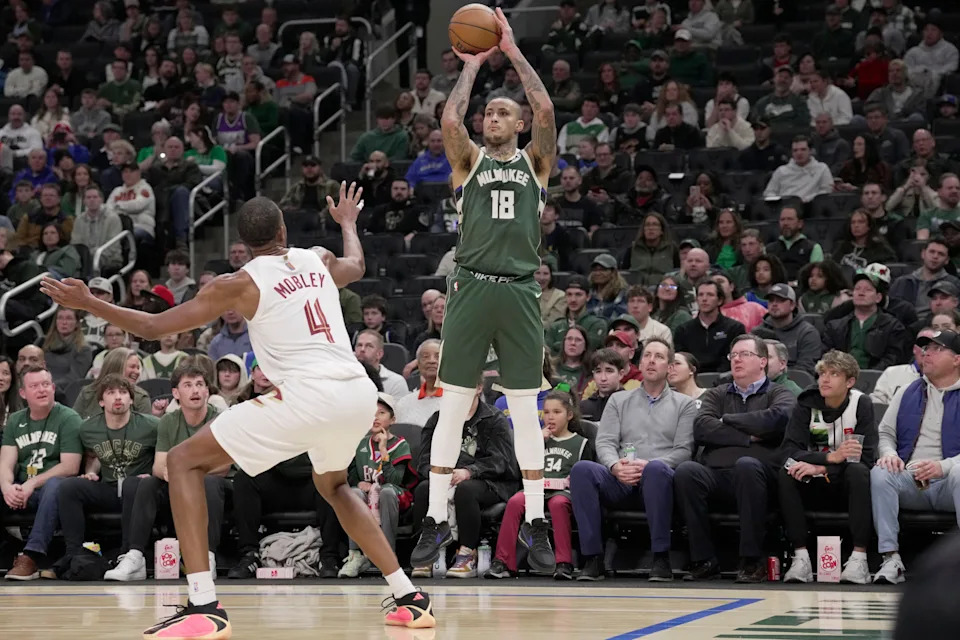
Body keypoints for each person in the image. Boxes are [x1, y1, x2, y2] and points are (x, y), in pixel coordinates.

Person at [41, 185, 436, 633]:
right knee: (334, 485)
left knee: (184, 461)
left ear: (243, 246)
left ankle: (204, 604)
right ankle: (408, 594)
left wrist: (89, 302)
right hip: (356, 394)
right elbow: (358, 266)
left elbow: (151, 326)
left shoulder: (240, 282)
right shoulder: (318, 259)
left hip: (308, 396)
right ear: (284, 229)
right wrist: (347, 223)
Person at [570, 338, 696, 581]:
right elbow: (605, 442)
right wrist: (614, 466)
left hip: (659, 478)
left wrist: (649, 465)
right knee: (582, 470)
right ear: (639, 362)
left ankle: (661, 558)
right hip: (621, 478)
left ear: (669, 367)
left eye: (659, 356)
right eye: (647, 355)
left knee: (657, 469)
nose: (651, 360)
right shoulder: (619, 400)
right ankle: (593, 559)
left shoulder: (685, 404)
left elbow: (684, 450)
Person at [675, 334, 797, 582]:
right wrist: (749, 438)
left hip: (762, 476)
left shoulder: (780, 393)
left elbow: (775, 421)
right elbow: (702, 428)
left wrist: (728, 420)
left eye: (745, 355)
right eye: (733, 355)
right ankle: (704, 558)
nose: (737, 360)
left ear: (763, 361)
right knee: (687, 471)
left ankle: (752, 560)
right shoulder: (716, 394)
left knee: (746, 466)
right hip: (718, 475)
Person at [103, 362, 227, 581]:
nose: (195, 390)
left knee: (209, 482)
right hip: (180, 485)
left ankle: (207, 557)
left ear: (208, 391)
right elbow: (159, 466)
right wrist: (177, 477)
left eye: (200, 384)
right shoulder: (169, 421)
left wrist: (187, 475)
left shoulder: (221, 419)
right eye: (188, 385)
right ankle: (135, 556)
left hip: (216, 486)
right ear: (176, 393)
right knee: (149, 482)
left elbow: (223, 466)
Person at [778, 350, 877, 584]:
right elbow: (789, 451)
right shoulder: (805, 403)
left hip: (846, 483)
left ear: (850, 381)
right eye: (822, 373)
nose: (825, 379)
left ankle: (859, 558)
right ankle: (800, 557)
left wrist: (823, 469)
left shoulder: (861, 403)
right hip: (814, 481)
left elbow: (866, 457)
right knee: (786, 473)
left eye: (834, 374)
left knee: (858, 471)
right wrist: (828, 459)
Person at [870, 329, 960, 584]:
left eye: (936, 349)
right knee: (880, 472)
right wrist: (888, 454)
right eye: (924, 348)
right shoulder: (907, 391)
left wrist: (943, 466)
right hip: (913, 480)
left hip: (951, 481)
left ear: (957, 360)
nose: (926, 353)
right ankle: (891, 558)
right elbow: (885, 432)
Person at [486, 390, 594, 580]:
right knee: (515, 502)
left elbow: (584, 477)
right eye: (546, 412)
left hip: (562, 492)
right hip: (534, 490)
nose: (550, 417)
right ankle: (503, 561)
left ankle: (563, 562)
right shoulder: (535, 440)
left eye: (556, 412)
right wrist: (536, 442)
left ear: (569, 415)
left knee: (558, 504)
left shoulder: (581, 443)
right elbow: (520, 469)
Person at [0, 366, 82, 580]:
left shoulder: (68, 418)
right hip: (21, 487)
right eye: (34, 386)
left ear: (53, 388)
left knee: (56, 484)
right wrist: (8, 488)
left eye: (45, 384)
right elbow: (6, 463)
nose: (41, 390)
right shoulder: (16, 421)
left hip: (51, 492)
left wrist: (31, 484)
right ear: (23, 393)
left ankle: (31, 556)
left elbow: (70, 467)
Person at [339, 392, 418, 577]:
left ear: (393, 419)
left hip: (394, 493)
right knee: (354, 493)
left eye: (381, 413)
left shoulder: (400, 445)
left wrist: (383, 451)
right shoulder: (360, 444)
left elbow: (395, 480)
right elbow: (351, 473)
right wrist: (358, 482)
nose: (375, 417)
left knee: (386, 492)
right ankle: (355, 555)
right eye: (372, 413)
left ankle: (388, 556)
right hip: (368, 493)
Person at [823, 268, 909, 369]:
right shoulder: (835, 326)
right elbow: (826, 356)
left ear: (878, 297)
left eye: (868, 290)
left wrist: (870, 376)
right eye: (857, 289)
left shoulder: (893, 327)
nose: (861, 293)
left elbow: (893, 359)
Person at [673, 281, 746, 373]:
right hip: (692, 378)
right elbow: (681, 359)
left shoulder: (735, 328)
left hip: (725, 379)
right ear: (696, 299)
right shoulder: (683, 330)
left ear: (719, 300)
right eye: (701, 295)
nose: (704, 299)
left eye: (710, 295)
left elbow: (735, 359)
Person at [761, 283, 823, 376]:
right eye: (771, 300)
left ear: (792, 305)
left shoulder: (807, 333)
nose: (774, 304)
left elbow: (806, 370)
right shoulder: (759, 332)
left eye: (780, 300)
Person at [872, 327, 932, 404]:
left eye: (933, 348)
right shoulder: (891, 373)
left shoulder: (946, 379)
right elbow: (877, 405)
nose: (926, 352)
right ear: (914, 349)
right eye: (923, 347)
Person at [580, 348, 629, 421]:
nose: (603, 378)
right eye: (598, 371)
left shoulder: (630, 405)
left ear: (620, 374)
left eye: (609, 371)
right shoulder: (583, 407)